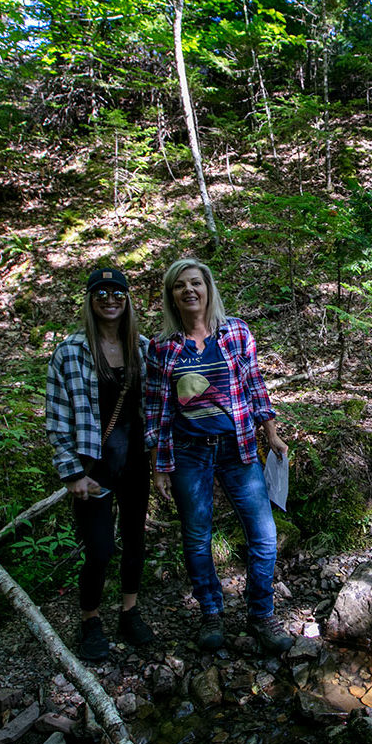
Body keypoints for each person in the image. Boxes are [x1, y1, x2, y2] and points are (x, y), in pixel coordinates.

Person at [145, 257, 293, 655]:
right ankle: (211, 612)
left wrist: (272, 435)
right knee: (196, 538)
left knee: (264, 536)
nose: (189, 290)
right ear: (172, 296)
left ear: (208, 289)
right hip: (188, 453)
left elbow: (254, 385)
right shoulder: (162, 347)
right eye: (180, 286)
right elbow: (157, 409)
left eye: (195, 283)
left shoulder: (236, 332)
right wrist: (160, 465)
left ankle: (261, 614)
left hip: (238, 448)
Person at [46, 267, 156, 661]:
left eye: (117, 293)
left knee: (135, 541)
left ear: (127, 301)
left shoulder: (143, 348)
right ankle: (90, 619)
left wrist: (160, 459)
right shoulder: (70, 352)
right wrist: (71, 471)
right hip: (93, 468)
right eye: (101, 293)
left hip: (135, 463)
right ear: (90, 301)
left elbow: (155, 410)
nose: (110, 300)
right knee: (99, 549)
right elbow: (57, 418)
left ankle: (130, 610)